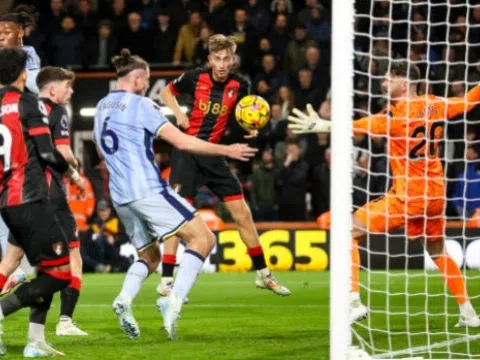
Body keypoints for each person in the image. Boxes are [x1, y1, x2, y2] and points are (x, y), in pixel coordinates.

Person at [288, 61, 480, 327]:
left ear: (405, 83)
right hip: (436, 194)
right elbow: (469, 101)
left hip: (409, 196)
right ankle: (468, 312)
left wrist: (322, 125)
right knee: (437, 251)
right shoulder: (434, 104)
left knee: (347, 232)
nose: (385, 83)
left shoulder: (396, 115)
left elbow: (360, 126)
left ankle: (353, 301)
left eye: (390, 79)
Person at [94, 48, 257, 340]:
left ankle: (124, 299)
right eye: (147, 81)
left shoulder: (103, 105)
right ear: (139, 78)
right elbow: (183, 142)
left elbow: (99, 147)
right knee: (204, 239)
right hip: (147, 189)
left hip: (120, 195)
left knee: (150, 255)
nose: (148, 86)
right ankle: (173, 300)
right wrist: (227, 150)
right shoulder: (142, 105)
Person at [159, 34, 291, 298]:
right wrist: (178, 111)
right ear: (209, 59)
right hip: (187, 150)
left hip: (214, 155)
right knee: (178, 215)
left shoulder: (240, 85)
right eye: (217, 59)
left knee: (242, 213)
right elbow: (165, 92)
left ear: (233, 60)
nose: (221, 64)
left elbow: (241, 115)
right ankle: (166, 279)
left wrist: (250, 128)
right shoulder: (195, 77)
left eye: (226, 59)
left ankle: (263, 274)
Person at [0, 48, 84, 357]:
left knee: (27, 265)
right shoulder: (29, 104)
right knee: (61, 272)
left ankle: (35, 342)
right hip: (34, 197)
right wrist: (72, 174)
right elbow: (50, 154)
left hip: (7, 199)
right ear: (23, 74)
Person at [0, 5, 41, 293]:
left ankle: (17, 272)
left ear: (21, 33)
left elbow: (31, 94)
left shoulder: (29, 58)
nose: (0, 37)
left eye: (5, 32)